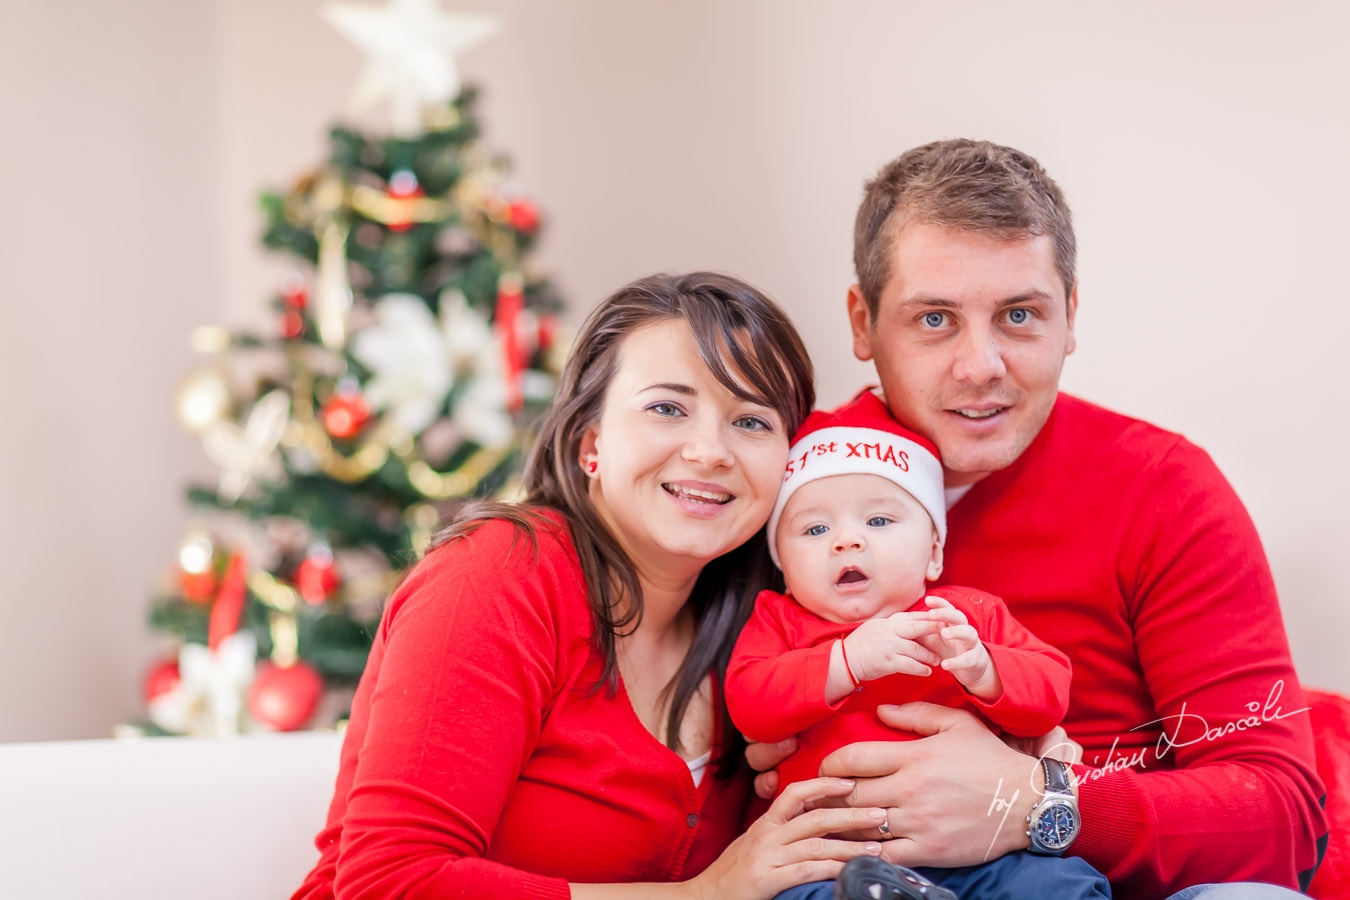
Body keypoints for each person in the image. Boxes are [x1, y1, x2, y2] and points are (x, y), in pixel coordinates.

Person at [748, 140, 1327, 900]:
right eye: (934, 319)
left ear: (1070, 315)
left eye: (1019, 315)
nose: (981, 365)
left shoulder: (1162, 489)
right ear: (863, 321)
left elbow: (1281, 814)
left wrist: (1036, 805)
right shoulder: (782, 481)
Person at [291, 272, 890, 900]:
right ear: (590, 443)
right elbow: (391, 884)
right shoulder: (502, 573)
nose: (711, 451)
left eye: (752, 421)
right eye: (667, 407)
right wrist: (704, 895)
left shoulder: (762, 629)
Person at [726, 389, 1110, 900]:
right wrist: (848, 660)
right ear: (784, 568)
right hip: (834, 854)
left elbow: (1050, 691)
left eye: (879, 520)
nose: (846, 540)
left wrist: (984, 669)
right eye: (815, 528)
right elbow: (749, 703)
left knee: (1057, 883)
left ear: (933, 552)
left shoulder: (964, 616)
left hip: (983, 848)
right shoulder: (780, 621)